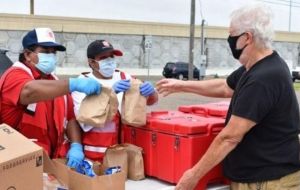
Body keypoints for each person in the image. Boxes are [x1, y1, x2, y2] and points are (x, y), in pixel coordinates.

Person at [157, 4, 300, 190]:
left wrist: (193, 176)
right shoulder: (258, 66)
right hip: (261, 179)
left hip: (268, 182)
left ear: (247, 37)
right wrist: (181, 85)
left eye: (232, 35)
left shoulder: (263, 78)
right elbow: (225, 87)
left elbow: (229, 137)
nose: (229, 41)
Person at [0, 28, 101, 170]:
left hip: (50, 163)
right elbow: (29, 91)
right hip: (18, 165)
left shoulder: (54, 81)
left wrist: (76, 145)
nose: (51, 56)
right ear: (28, 54)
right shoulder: (15, 75)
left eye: (53, 52)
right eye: (46, 52)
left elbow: (71, 118)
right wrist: (73, 84)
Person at [72, 39, 158, 161]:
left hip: (123, 152)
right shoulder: (83, 83)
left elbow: (151, 101)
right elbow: (84, 119)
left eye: (111, 56)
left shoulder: (124, 77)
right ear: (92, 62)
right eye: (103, 58)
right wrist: (108, 95)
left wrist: (152, 92)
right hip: (95, 156)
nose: (109, 60)